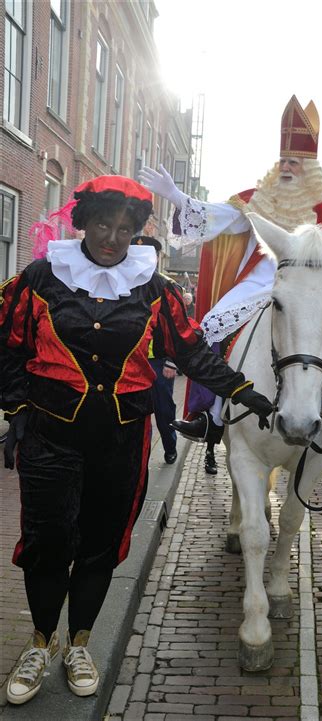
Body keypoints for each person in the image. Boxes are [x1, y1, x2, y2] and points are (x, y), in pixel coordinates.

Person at [0, 174, 273, 706]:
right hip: (50, 437)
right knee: (46, 542)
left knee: (101, 546)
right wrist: (16, 409)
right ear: (84, 222)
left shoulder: (157, 290)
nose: (113, 237)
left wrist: (247, 393)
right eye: (104, 223)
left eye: (126, 228)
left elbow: (192, 354)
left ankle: (79, 643)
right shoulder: (38, 278)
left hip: (122, 441)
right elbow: (7, 346)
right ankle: (40, 642)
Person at [139, 95, 322, 473]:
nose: (287, 167)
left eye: (295, 162)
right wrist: (176, 196)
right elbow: (220, 218)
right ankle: (214, 415)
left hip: (314, 287)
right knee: (211, 326)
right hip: (261, 281)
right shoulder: (257, 199)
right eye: (283, 160)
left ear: (309, 168)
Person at [131, 234, 178, 464]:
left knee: (163, 410)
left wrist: (172, 360)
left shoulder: (165, 286)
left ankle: (169, 446)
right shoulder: (122, 283)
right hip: (132, 363)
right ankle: (138, 455)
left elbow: (177, 327)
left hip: (159, 362)